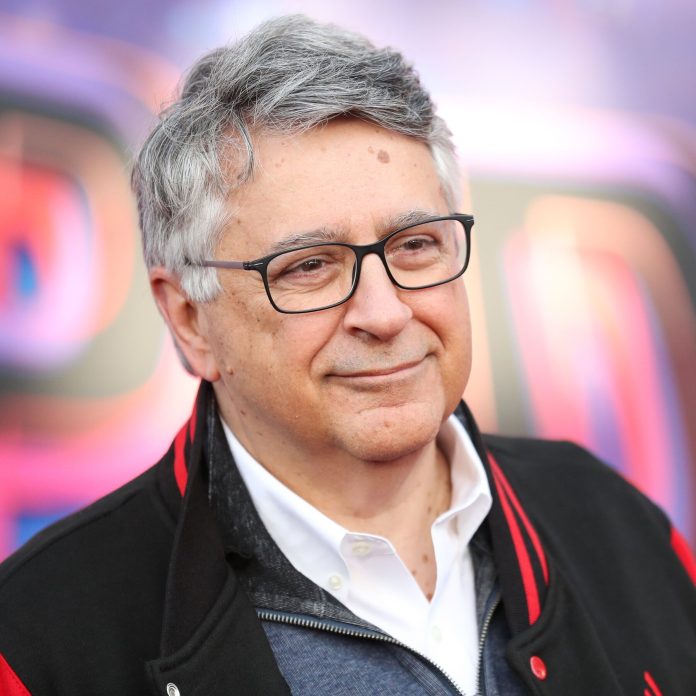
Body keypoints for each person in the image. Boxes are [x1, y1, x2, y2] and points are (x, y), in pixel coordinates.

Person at [0, 14, 694, 696]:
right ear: (189, 321)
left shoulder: (616, 525)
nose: (385, 314)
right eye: (309, 266)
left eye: (416, 245)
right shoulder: (41, 641)